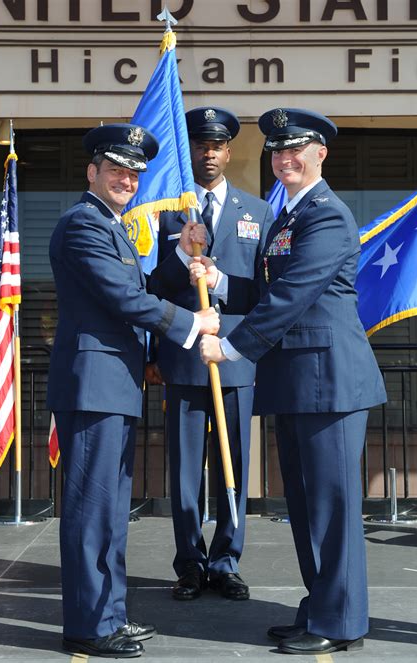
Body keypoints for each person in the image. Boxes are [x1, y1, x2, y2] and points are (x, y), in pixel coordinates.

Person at [195, 108, 387, 655]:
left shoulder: (326, 216)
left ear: (320, 153)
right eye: (276, 152)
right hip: (300, 382)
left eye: (294, 150)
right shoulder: (288, 218)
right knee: (305, 507)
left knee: (332, 508)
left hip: (331, 383)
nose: (284, 160)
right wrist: (220, 280)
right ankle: (319, 607)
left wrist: (231, 346)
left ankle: (339, 622)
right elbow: (265, 290)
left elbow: (293, 294)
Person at [46, 123, 219, 658]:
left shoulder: (113, 225)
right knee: (92, 510)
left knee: (110, 509)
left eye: (134, 173)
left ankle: (110, 614)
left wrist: (182, 255)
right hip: (93, 387)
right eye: (116, 168)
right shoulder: (83, 225)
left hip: (112, 385)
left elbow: (138, 288)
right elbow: (125, 300)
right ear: (91, 171)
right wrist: (193, 325)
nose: (126, 179)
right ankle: (90, 625)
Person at [148, 107, 274, 601]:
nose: (209, 153)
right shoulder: (163, 213)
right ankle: (189, 563)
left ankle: (226, 560)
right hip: (183, 356)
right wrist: (182, 258)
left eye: (218, 145)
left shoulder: (257, 213)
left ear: (229, 152)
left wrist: (220, 289)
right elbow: (151, 288)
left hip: (235, 356)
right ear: (192, 150)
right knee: (183, 470)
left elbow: (263, 293)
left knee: (234, 467)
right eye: (200, 144)